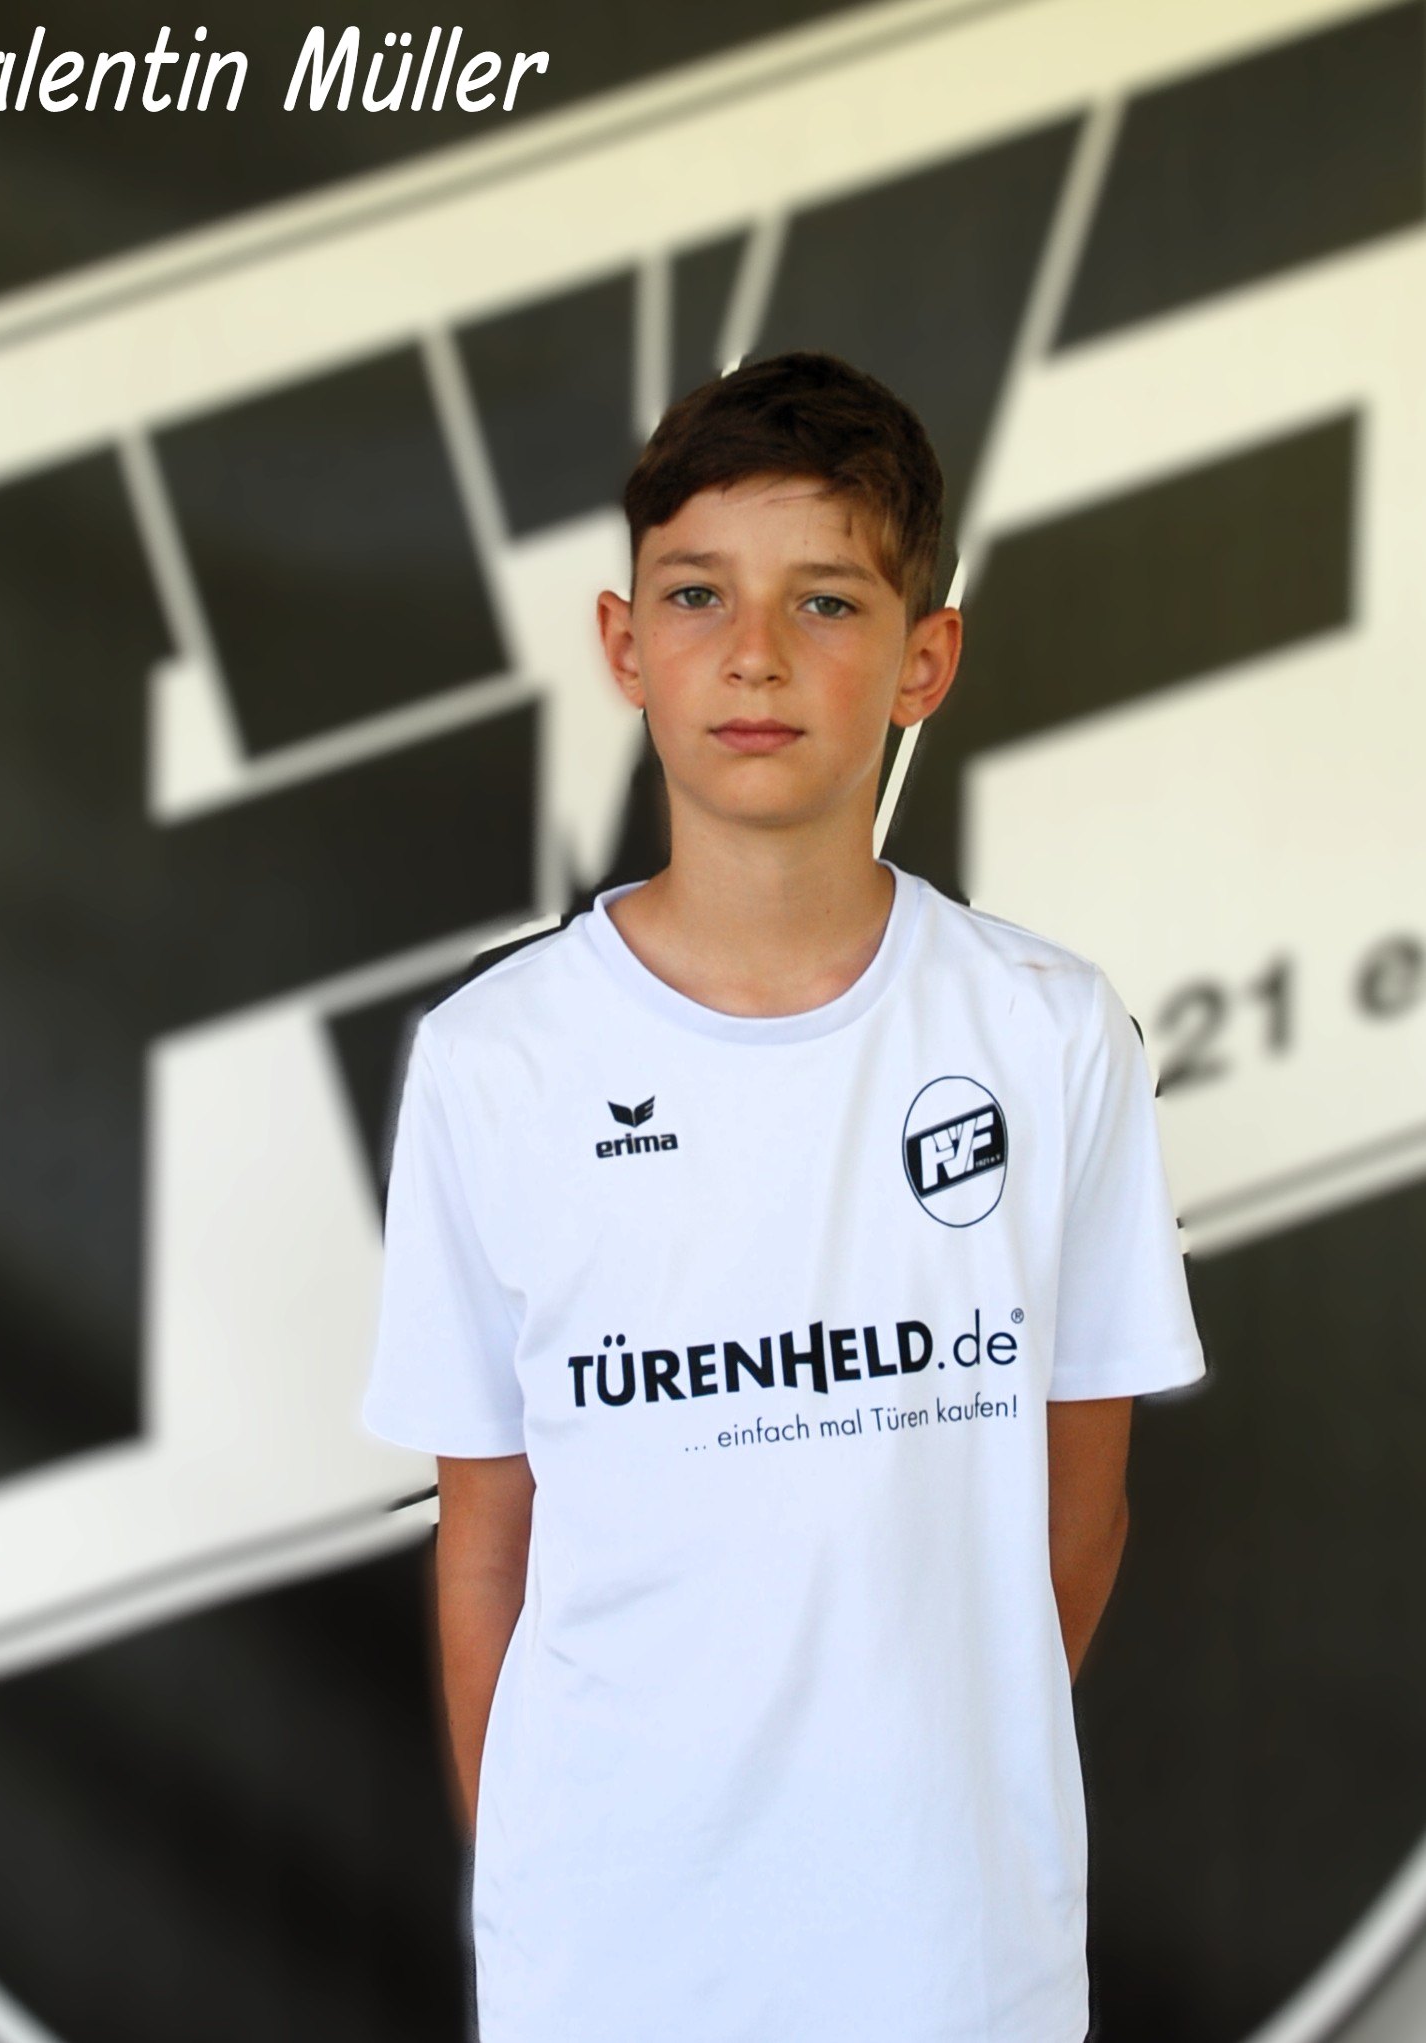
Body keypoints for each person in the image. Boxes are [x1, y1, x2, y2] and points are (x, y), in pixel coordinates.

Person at [360, 348, 1207, 2043]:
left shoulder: (1048, 1035)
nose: (754, 654)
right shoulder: (494, 1061)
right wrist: (559, 1881)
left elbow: (1082, 1507)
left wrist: (930, 1786)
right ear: (624, 645)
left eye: (826, 601)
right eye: (699, 595)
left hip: (958, 1960)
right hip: (610, 1970)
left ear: (925, 659)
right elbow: (486, 1545)